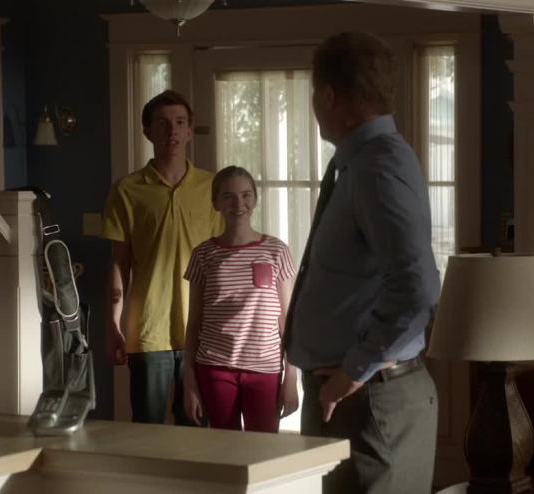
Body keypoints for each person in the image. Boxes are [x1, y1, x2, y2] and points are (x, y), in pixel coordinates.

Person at [285, 32, 441, 493]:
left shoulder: (377, 167)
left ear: (328, 96)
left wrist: (353, 370)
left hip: (369, 400)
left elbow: (418, 290)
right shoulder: (359, 163)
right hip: (357, 396)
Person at [101, 90, 222, 424]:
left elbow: (221, 260)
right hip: (148, 328)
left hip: (202, 329)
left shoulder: (211, 188)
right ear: (147, 131)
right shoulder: (127, 190)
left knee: (197, 429)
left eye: (180, 123)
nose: (172, 131)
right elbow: (119, 262)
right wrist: (112, 324)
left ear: (189, 131)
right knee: (148, 430)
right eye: (163, 124)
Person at [182, 166, 299, 432]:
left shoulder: (277, 251)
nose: (238, 203)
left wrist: (291, 376)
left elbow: (288, 320)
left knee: (264, 449)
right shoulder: (203, 254)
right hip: (215, 368)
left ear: (255, 200)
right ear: (216, 203)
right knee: (225, 448)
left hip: (266, 369)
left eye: (246, 195)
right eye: (228, 196)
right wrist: (189, 382)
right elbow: (194, 323)